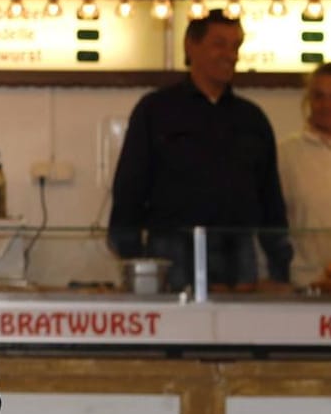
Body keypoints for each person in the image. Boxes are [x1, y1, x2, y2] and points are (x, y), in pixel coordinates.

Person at [109, 15, 294, 291]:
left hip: (239, 256)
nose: (230, 55)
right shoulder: (155, 110)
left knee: (241, 332)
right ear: (190, 46)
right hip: (171, 252)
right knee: (174, 333)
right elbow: (130, 188)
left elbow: (270, 200)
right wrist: (135, 261)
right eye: (219, 44)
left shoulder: (252, 118)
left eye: (236, 46)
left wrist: (280, 270)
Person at [277, 63, 331, 287]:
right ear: (308, 101)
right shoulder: (286, 154)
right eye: (319, 96)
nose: (326, 105)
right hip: (305, 287)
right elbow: (273, 225)